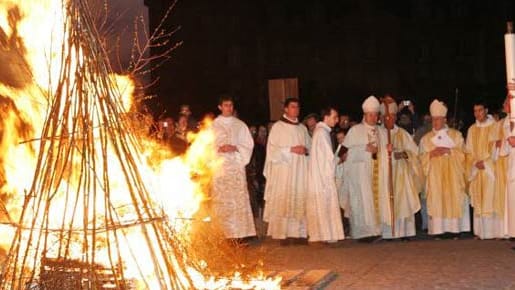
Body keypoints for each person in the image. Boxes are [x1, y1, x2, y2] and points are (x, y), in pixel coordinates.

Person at [263, 97, 311, 244]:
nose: (295, 110)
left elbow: (309, 147)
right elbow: (271, 151)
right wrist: (290, 150)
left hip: (300, 171)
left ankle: (299, 234)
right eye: (292, 107)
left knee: (299, 198)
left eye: (297, 107)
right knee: (284, 200)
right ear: (285, 109)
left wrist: (305, 150)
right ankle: (283, 234)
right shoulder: (278, 127)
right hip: (284, 171)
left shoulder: (303, 128)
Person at [419, 99, 469, 237]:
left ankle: (454, 230)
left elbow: (465, 155)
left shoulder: (455, 135)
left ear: (445, 119)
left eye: (438, 119)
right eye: (433, 119)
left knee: (453, 197)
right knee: (437, 199)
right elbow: (420, 159)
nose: (435, 122)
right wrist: (431, 154)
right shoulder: (426, 139)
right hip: (435, 177)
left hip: (453, 175)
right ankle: (438, 231)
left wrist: (450, 151)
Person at [211, 95, 256, 240]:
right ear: (220, 107)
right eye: (225, 105)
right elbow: (204, 147)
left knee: (238, 201)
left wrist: (236, 147)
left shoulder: (240, 125)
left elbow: (248, 145)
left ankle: (240, 235)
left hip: (236, 168)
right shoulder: (213, 126)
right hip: (220, 169)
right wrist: (218, 149)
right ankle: (223, 235)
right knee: (223, 201)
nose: (229, 108)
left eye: (231, 105)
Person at [341, 96, 384, 240]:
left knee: (374, 201)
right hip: (359, 175)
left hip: (377, 173)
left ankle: (376, 231)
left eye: (375, 114)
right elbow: (344, 153)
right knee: (361, 203)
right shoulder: (355, 130)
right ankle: (362, 233)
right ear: (364, 115)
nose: (372, 117)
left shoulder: (382, 132)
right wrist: (363, 149)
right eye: (369, 114)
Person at [379, 98, 422, 239]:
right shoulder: (378, 134)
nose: (389, 119)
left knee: (403, 202)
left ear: (395, 118)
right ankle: (388, 233)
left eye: (392, 117)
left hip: (402, 175)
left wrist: (402, 154)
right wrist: (384, 153)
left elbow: (415, 153)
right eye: (386, 117)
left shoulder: (402, 134)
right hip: (384, 176)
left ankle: (404, 233)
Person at [306, 107, 345, 243]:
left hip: (320, 176)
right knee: (325, 203)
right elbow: (328, 159)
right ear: (326, 117)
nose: (337, 120)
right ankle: (326, 235)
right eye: (334, 117)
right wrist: (340, 159)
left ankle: (325, 234)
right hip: (323, 178)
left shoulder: (321, 132)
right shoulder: (322, 133)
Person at [464, 100, 501, 239]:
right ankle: (481, 233)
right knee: (479, 200)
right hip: (477, 170)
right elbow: (468, 151)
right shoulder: (472, 129)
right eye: (475, 111)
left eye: (480, 110)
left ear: (486, 110)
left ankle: (494, 232)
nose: (477, 114)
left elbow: (497, 148)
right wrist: (474, 163)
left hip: (490, 170)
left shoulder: (495, 127)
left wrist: (486, 163)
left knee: (490, 199)